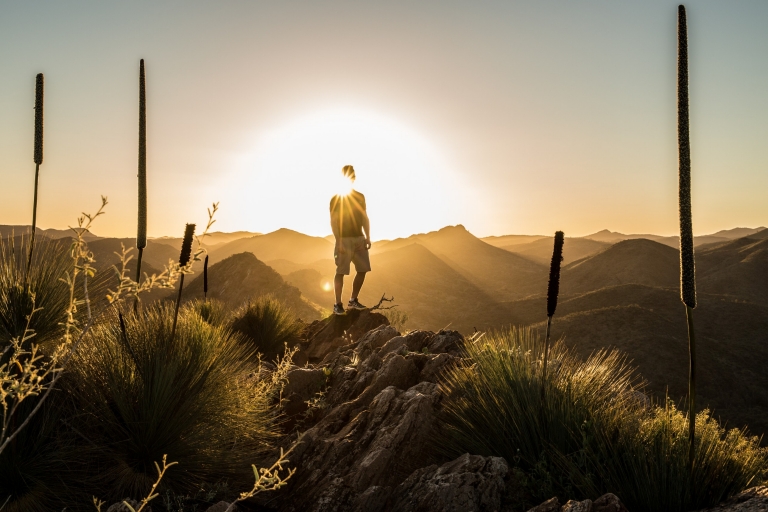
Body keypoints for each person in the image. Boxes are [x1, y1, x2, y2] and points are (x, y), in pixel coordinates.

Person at [330, 165, 371, 315]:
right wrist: (338, 240)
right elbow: (334, 221)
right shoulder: (335, 198)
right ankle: (337, 304)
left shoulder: (360, 197)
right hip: (344, 239)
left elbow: (365, 217)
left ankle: (353, 300)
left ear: (353, 178)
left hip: (359, 238)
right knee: (341, 271)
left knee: (363, 269)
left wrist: (368, 236)